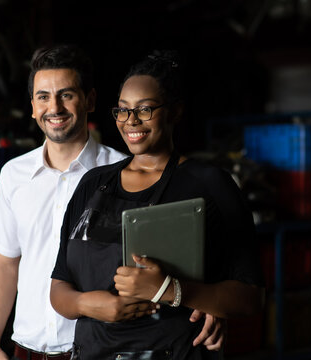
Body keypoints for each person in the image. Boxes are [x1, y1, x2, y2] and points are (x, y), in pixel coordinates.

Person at [0, 44, 224, 360]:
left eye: (67, 94)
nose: (54, 107)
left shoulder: (128, 175)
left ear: (90, 100)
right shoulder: (14, 175)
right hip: (26, 349)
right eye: (43, 96)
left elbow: (172, 262)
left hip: (102, 349)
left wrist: (209, 303)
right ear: (32, 106)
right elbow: (4, 261)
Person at [50, 50, 265, 359]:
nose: (131, 121)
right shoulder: (92, 184)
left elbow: (250, 297)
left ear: (175, 111)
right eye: (123, 110)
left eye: (145, 109)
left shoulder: (210, 185)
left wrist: (173, 290)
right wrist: (89, 305)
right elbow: (59, 287)